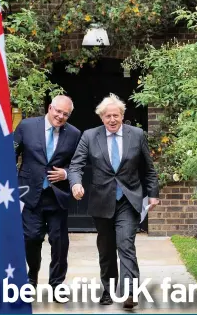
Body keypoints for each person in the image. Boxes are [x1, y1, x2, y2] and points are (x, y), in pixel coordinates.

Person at [68, 93, 160, 310]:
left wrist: (153, 193)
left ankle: (130, 292)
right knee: (106, 247)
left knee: (125, 243)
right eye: (108, 116)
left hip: (129, 199)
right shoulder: (90, 136)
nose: (112, 120)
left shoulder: (136, 135)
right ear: (101, 117)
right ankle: (109, 290)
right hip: (102, 201)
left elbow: (148, 169)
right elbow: (76, 165)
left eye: (116, 115)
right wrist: (75, 184)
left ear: (122, 115)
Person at [14, 95, 81, 295]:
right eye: (58, 111)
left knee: (59, 242)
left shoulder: (74, 134)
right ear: (50, 107)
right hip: (29, 194)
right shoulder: (26, 126)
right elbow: (10, 154)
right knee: (31, 238)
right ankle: (32, 276)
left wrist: (66, 173)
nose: (60, 116)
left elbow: (78, 163)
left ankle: (57, 284)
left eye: (65, 114)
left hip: (57, 196)